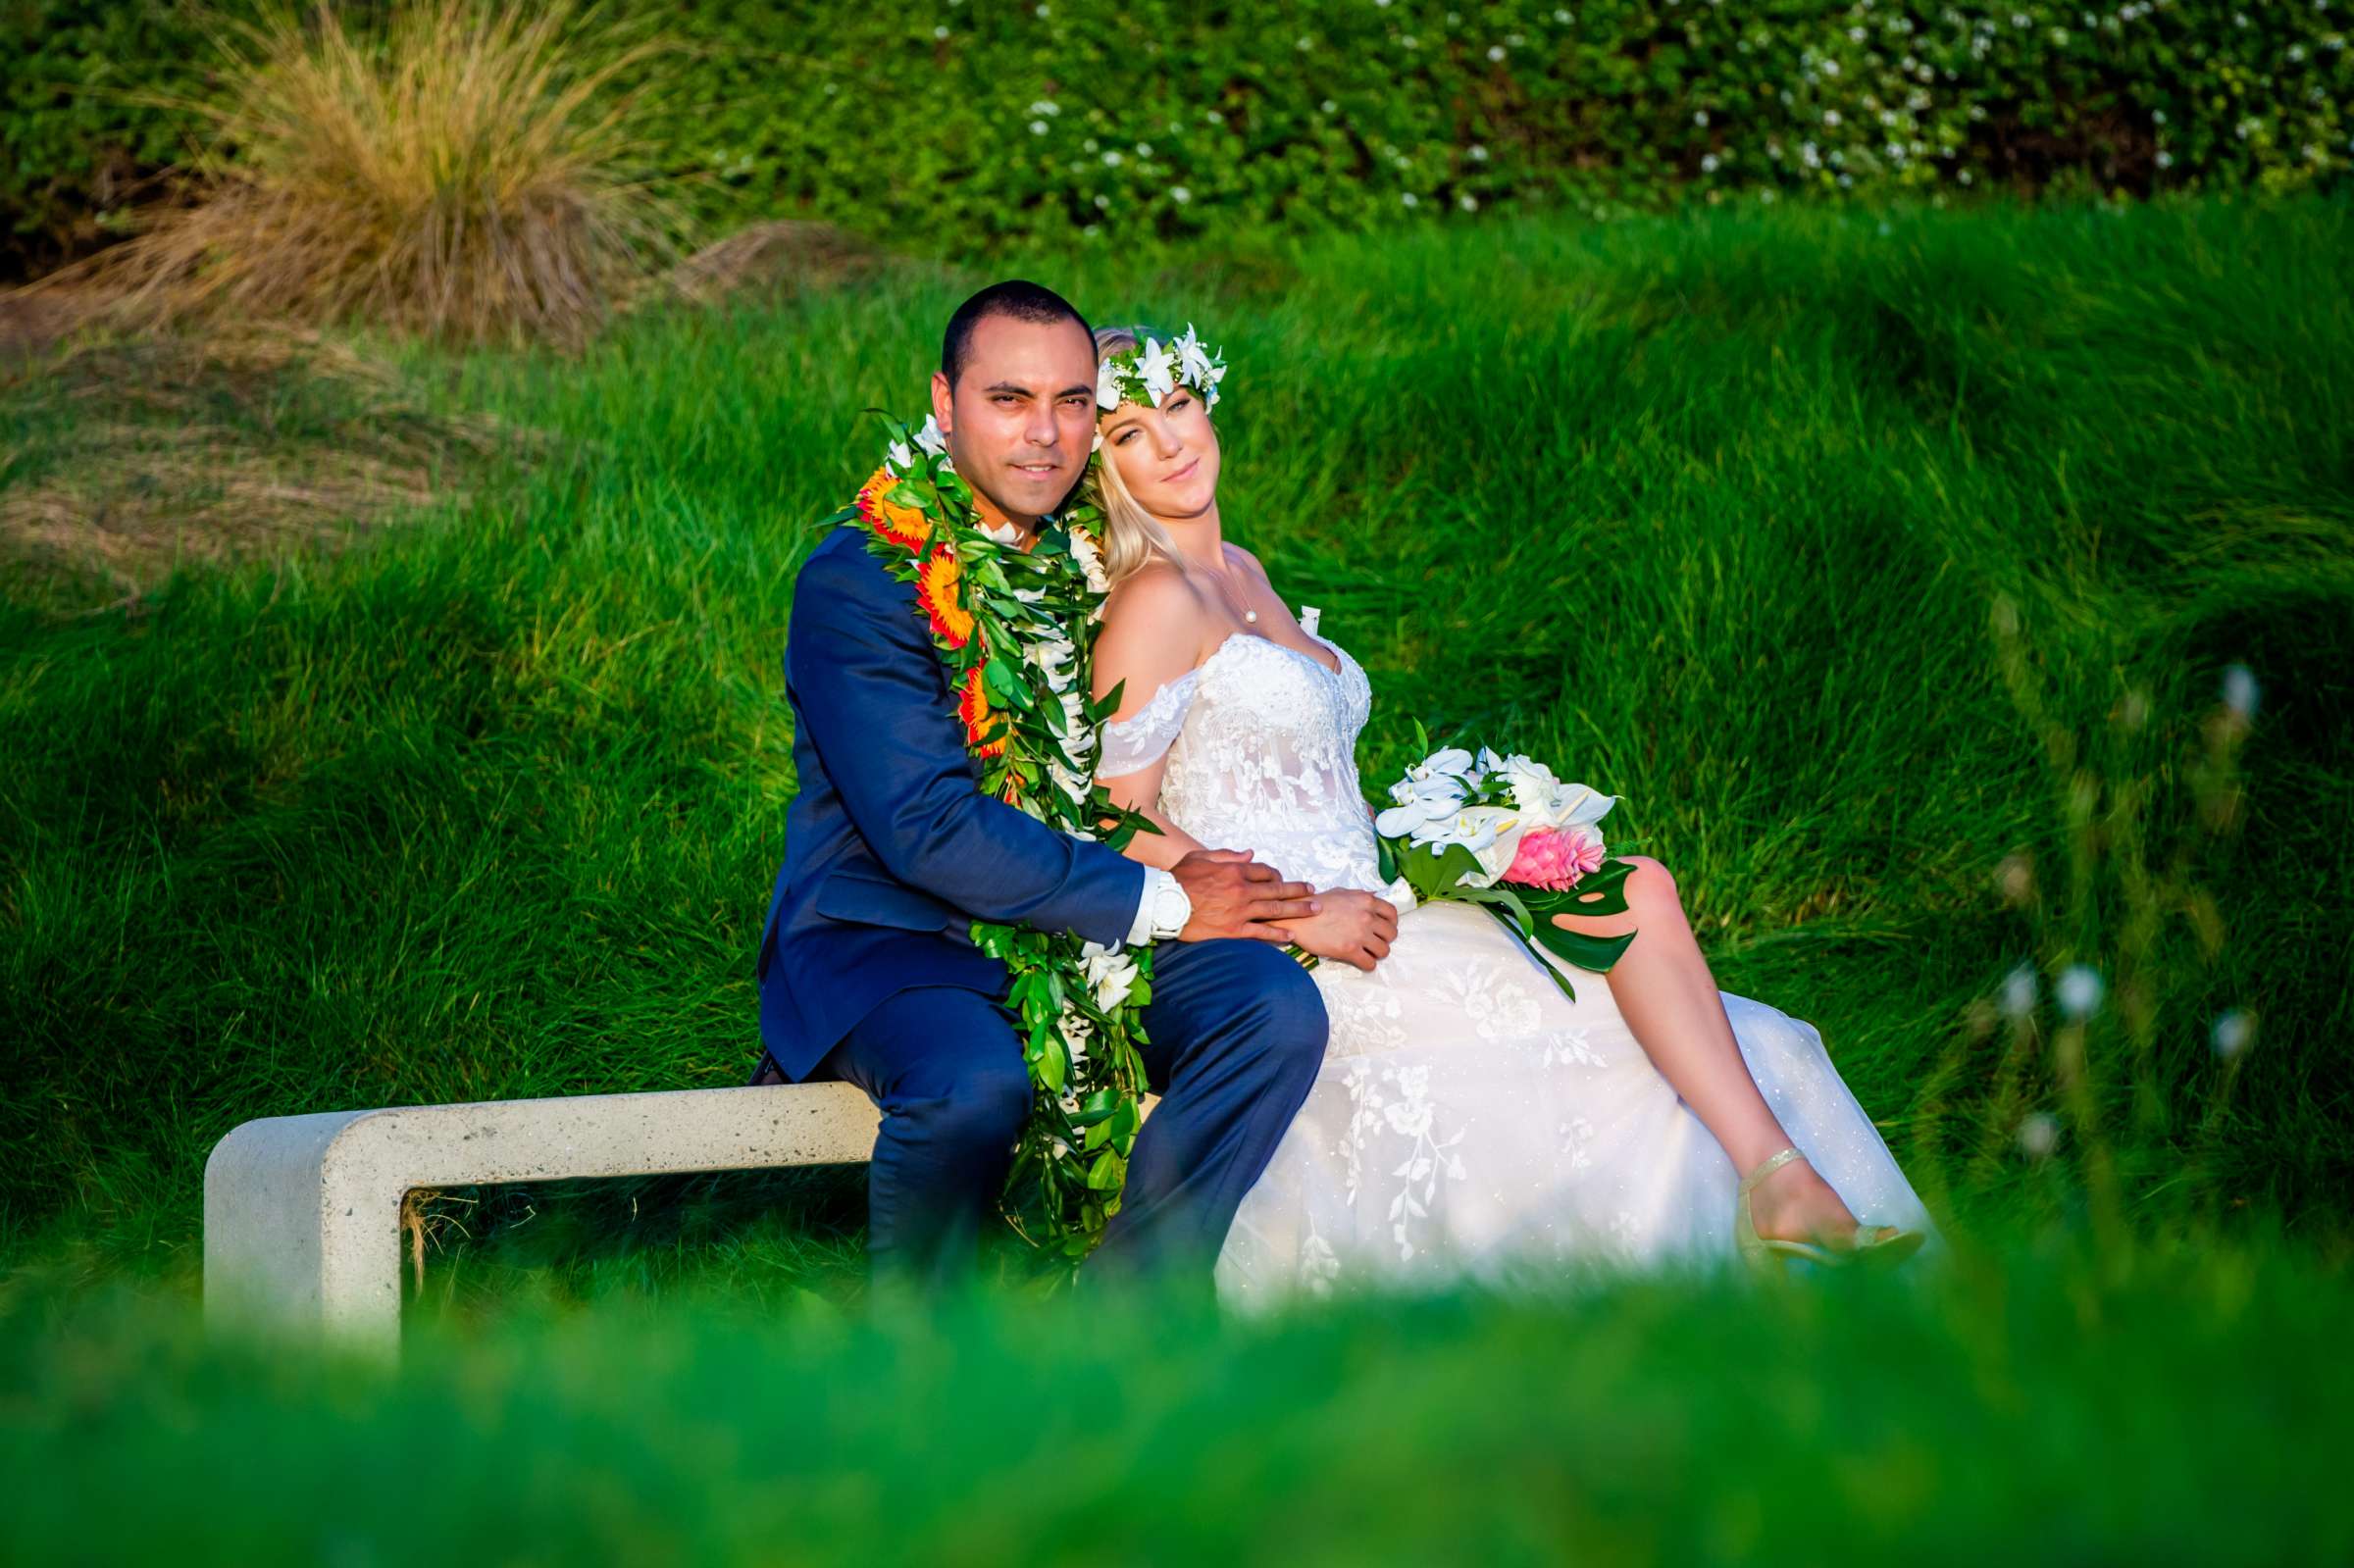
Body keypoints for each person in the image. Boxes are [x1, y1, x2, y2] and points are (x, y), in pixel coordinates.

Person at [1082, 323, 1934, 1301]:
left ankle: (1784, 1194)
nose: (1174, 442)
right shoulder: (1152, 598)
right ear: (1103, 469)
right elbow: (1112, 817)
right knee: (1631, 1052)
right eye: (1132, 433)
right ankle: (1762, 1227)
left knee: (1636, 892)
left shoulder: (1243, 569)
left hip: (1374, 892)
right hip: (1288, 937)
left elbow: (1310, 780)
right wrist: (1294, 909)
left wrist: (1466, 836)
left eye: (1179, 409)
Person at [751, 282, 1331, 1294]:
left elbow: (1115, 767)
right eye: (1009, 399)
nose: (1046, 434)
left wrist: (1259, 882)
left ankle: (1124, 1311)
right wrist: (1176, 902)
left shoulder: (1084, 560)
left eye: (1073, 402)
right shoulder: (865, 579)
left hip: (1068, 925)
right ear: (944, 402)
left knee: (1269, 1007)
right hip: (894, 937)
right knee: (977, 1081)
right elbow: (926, 828)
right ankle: (929, 1369)